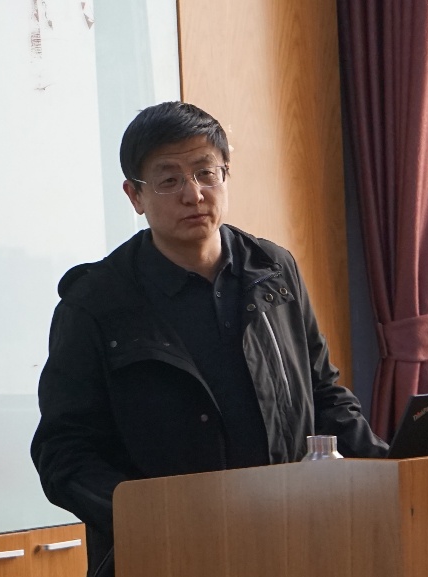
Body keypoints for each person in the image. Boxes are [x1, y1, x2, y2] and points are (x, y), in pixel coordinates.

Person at [30, 101, 388, 577]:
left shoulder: (273, 271)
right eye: (169, 180)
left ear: (226, 175)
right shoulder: (96, 303)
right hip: (165, 556)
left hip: (289, 540)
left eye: (206, 173)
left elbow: (324, 396)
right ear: (135, 196)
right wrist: (151, 517)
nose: (193, 194)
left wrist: (395, 474)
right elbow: (63, 453)